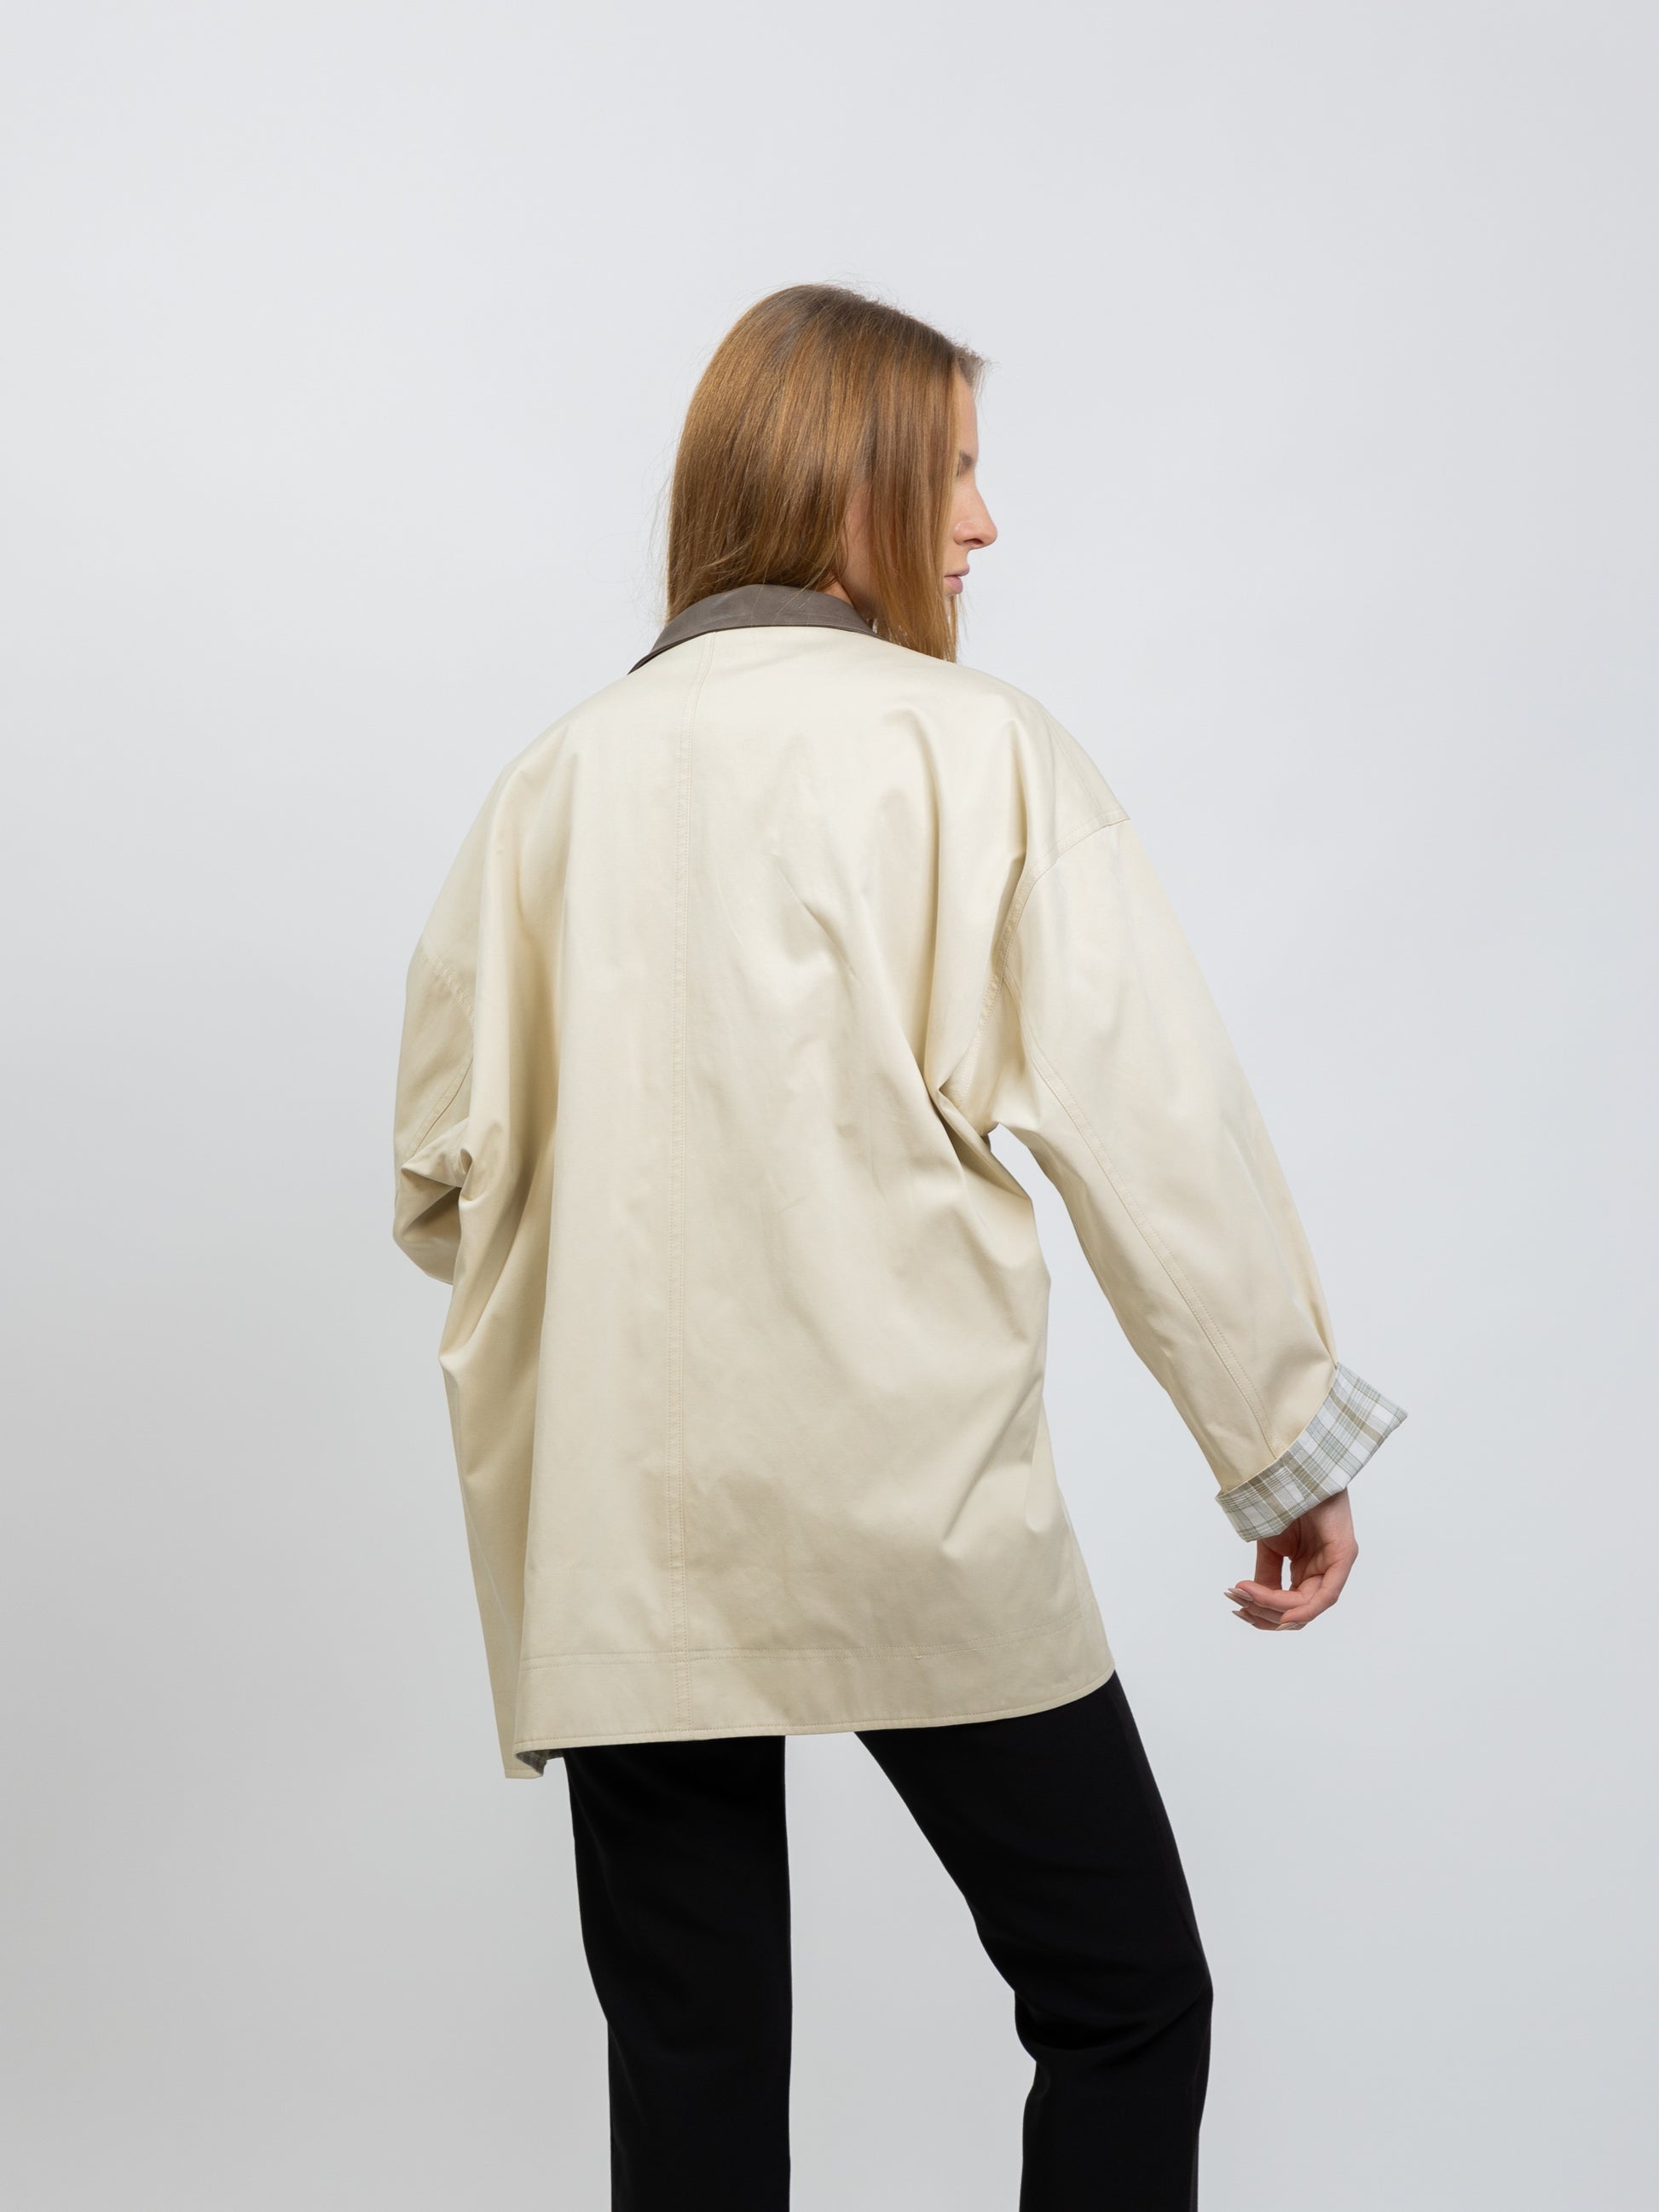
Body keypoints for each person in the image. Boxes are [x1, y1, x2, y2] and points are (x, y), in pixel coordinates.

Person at [390, 282, 1406, 2209]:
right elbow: (1151, 1131)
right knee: (1123, 1996)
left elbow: (440, 1177)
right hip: (914, 1498)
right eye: (949, 472)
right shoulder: (978, 753)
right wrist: (1281, 1443)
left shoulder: (550, 784)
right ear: (840, 480)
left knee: (692, 2066)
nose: (982, 524)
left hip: (620, 1524)